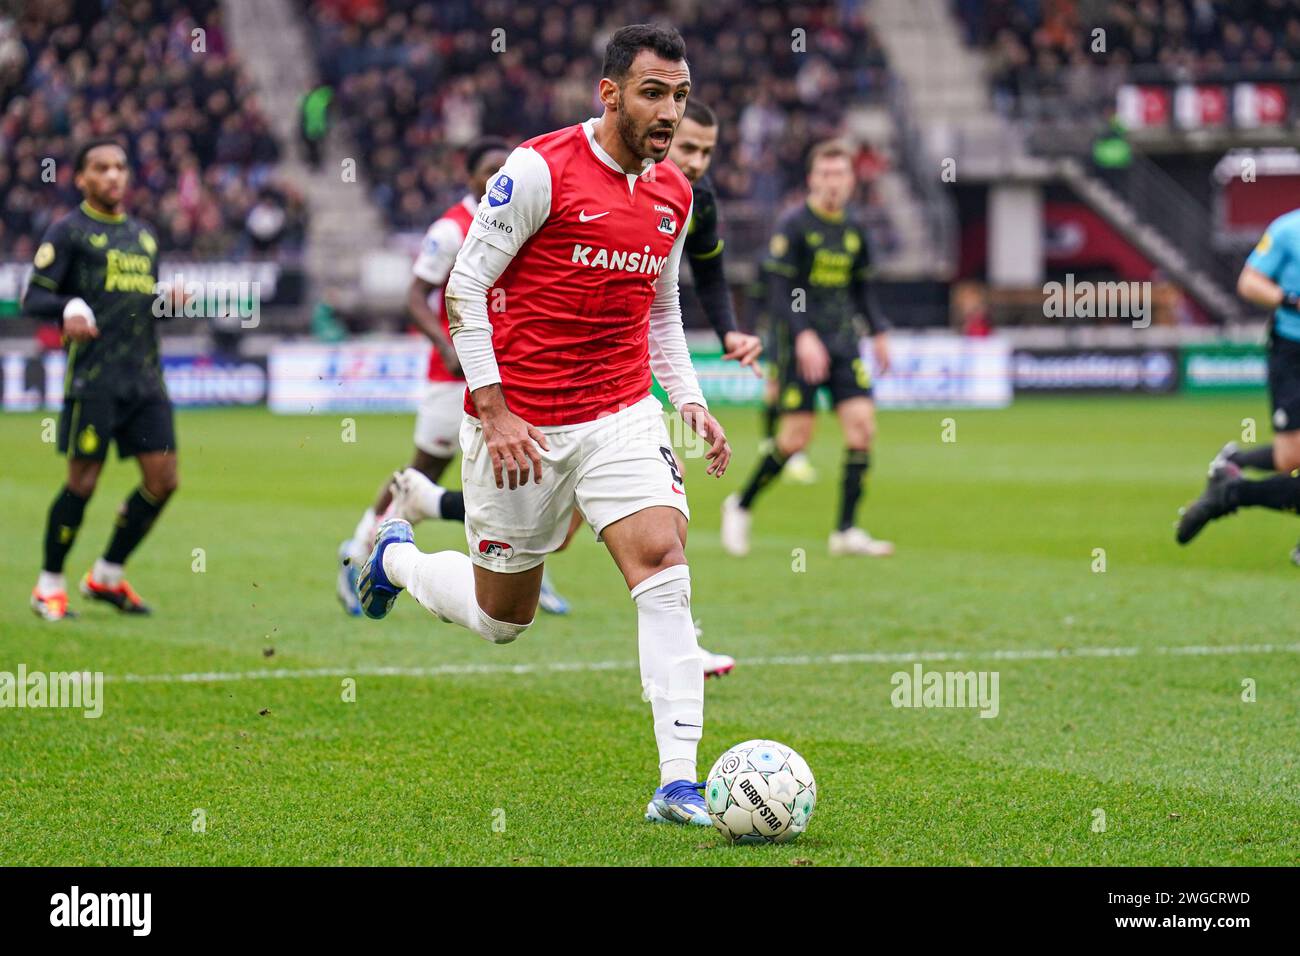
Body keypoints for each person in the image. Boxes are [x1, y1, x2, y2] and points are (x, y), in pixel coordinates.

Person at [357, 24, 730, 827]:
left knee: (663, 563)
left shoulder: (675, 193)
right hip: (519, 423)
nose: (670, 112)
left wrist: (689, 397)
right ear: (611, 94)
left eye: (680, 95)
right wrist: (494, 410)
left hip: (621, 412)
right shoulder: (538, 169)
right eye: (654, 94)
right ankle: (398, 560)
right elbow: (463, 288)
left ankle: (677, 783)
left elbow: (661, 310)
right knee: (501, 619)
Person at [24, 139, 179, 619]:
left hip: (146, 380)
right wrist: (68, 305)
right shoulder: (68, 233)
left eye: (120, 167)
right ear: (81, 178)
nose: (113, 176)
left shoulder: (144, 237)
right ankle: (48, 583)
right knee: (83, 483)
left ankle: (107, 575)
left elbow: (141, 306)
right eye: (101, 168)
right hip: (95, 379)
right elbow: (34, 298)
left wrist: (166, 303)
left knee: (163, 480)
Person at [722, 140, 893, 558]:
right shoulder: (794, 225)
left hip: (843, 342)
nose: (833, 182)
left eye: (841, 174)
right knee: (795, 438)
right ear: (813, 179)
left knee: (862, 429)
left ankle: (846, 530)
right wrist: (802, 335)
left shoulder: (855, 230)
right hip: (802, 344)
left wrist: (880, 332)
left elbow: (863, 289)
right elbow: (780, 290)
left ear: (852, 181)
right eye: (826, 174)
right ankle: (740, 505)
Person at [1177, 206, 1300, 556]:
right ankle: (1232, 485)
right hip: (1293, 350)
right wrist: (1289, 300)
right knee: (1292, 459)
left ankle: (1233, 476)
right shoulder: (1288, 229)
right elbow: (1249, 282)